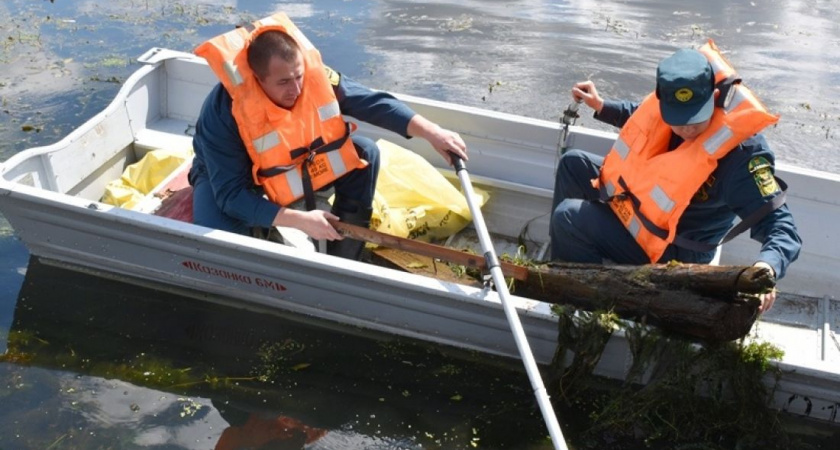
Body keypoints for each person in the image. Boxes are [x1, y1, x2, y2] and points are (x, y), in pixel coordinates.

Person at [189, 13, 467, 260]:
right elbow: (230, 194)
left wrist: (432, 132)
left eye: (298, 76)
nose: (296, 89)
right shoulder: (223, 112)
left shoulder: (314, 78)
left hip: (294, 161)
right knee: (221, 245)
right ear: (259, 79)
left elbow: (370, 102)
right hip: (239, 179)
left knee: (365, 154)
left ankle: (343, 257)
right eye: (283, 82)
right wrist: (299, 220)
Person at [550, 41, 801, 313]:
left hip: (677, 251)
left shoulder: (742, 155)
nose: (685, 129)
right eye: (676, 119)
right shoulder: (665, 108)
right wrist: (601, 106)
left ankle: (583, 304)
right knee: (572, 164)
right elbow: (640, 117)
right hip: (644, 214)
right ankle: (565, 268)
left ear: (714, 96)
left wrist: (768, 267)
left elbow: (781, 225)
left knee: (568, 217)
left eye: (695, 119)